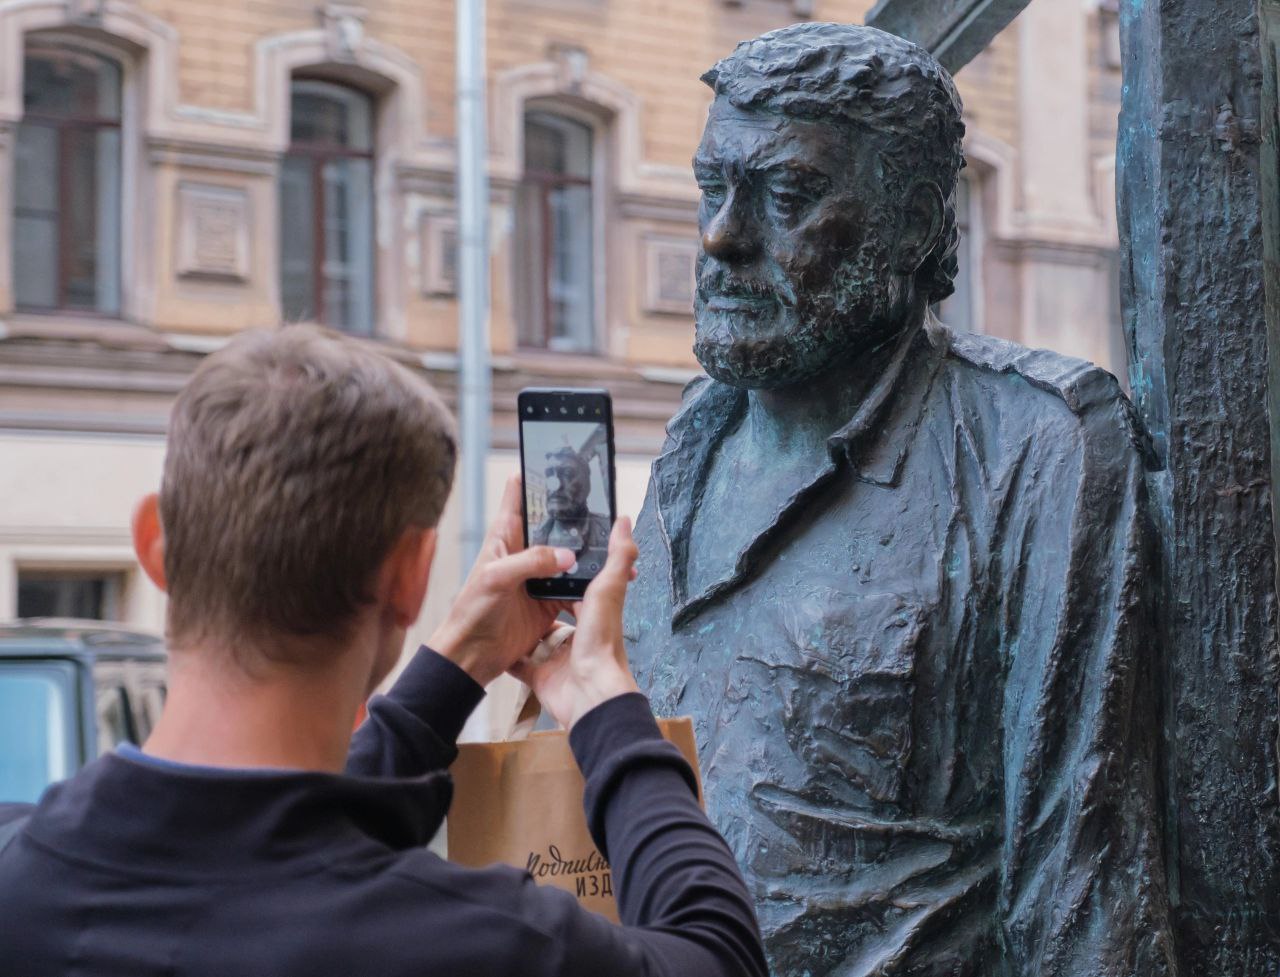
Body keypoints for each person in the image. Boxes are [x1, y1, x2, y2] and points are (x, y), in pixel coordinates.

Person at [623, 23, 1177, 977]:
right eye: (714, 187)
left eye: (787, 196)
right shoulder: (693, 439)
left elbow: (1079, 873)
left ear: (915, 220)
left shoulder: (1033, 442)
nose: (722, 237)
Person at [0, 325, 766, 977]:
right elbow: (716, 953)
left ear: (154, 546)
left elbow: (260, 838)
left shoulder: (20, 874)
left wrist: (455, 668)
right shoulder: (475, 940)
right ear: (412, 576)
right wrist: (607, 706)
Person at [529, 446, 611, 559]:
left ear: (586, 484)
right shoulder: (530, 538)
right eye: (549, 475)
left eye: (567, 474)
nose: (555, 485)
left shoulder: (610, 531)